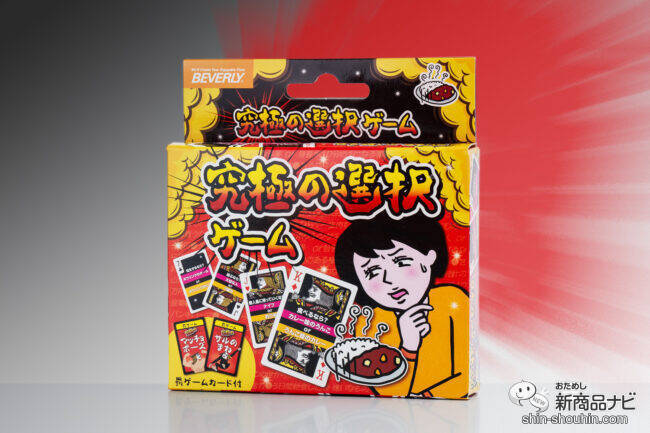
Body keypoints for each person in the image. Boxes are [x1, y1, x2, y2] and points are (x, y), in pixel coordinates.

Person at [335, 213, 469, 398]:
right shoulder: (369, 324)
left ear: (429, 256)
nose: (390, 280)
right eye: (372, 272)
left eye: (401, 262)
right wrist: (408, 347)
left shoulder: (452, 301)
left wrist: (422, 399)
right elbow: (387, 392)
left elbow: (464, 379)